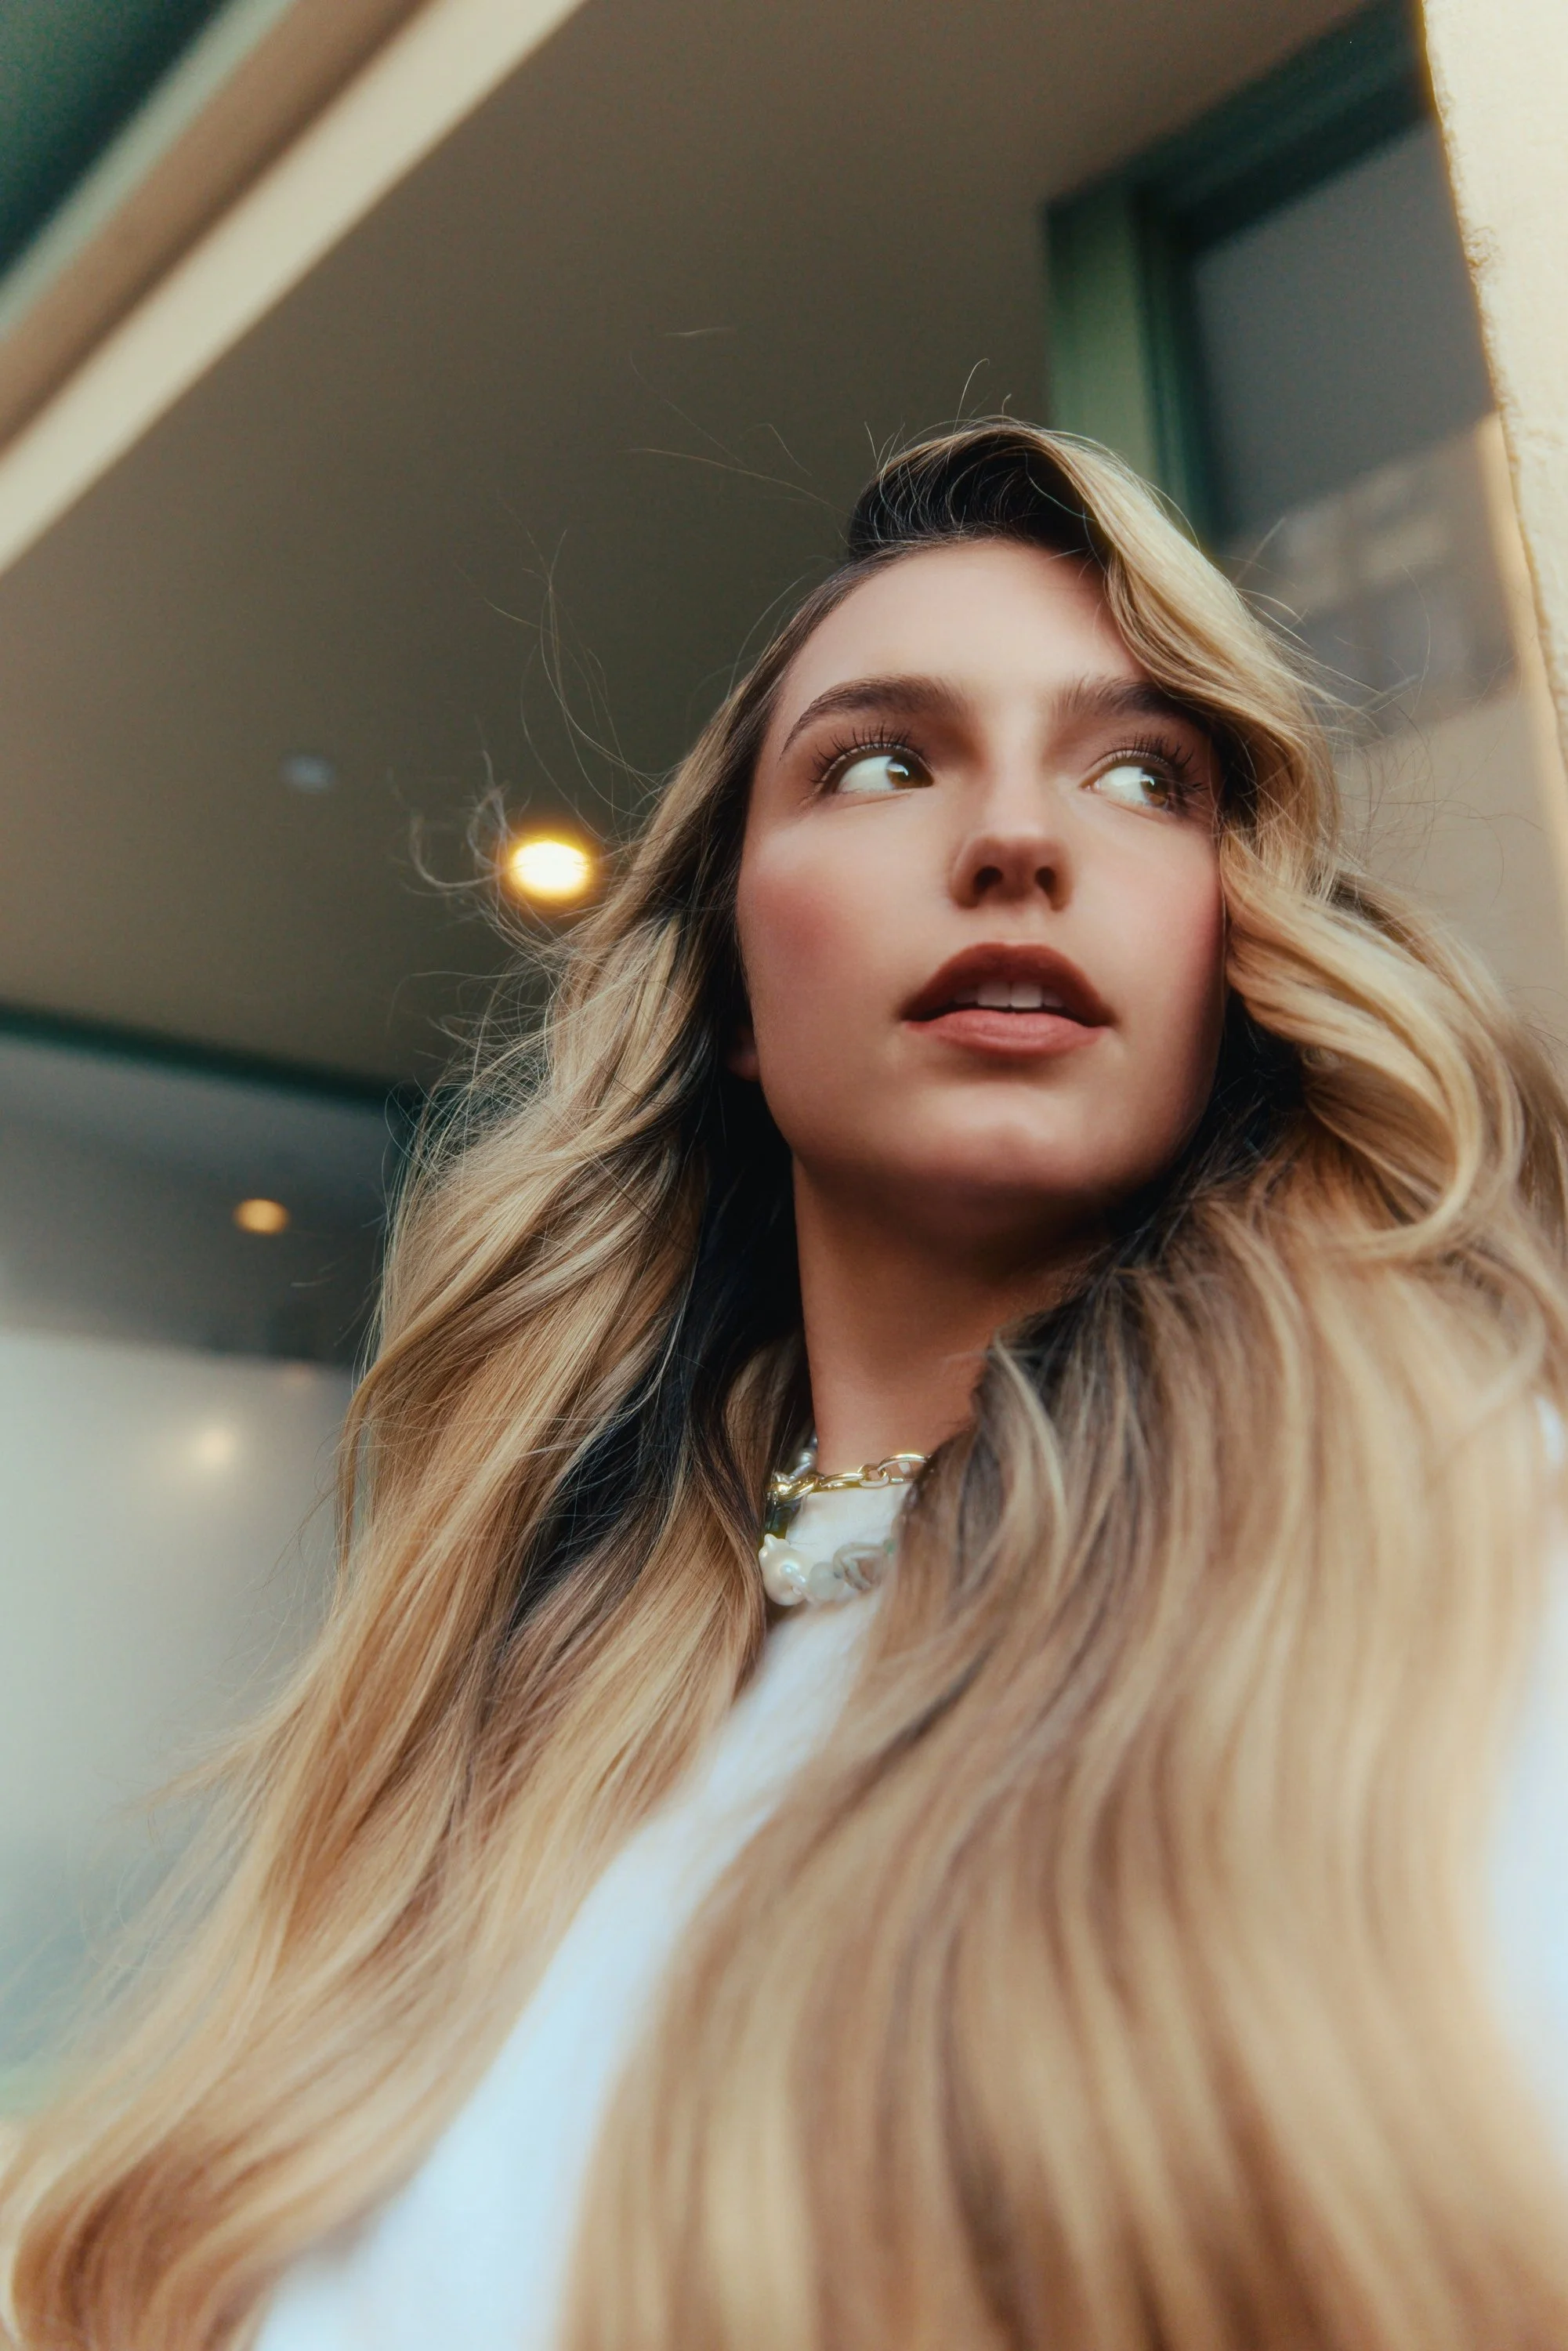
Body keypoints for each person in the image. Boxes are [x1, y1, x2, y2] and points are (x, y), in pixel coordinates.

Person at [5, 422, 1568, 2351]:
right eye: (885, 762)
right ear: (731, 992)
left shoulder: (1483, 1563)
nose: (1018, 840)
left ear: (1231, 945)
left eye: (1143, 774)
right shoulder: (501, 1726)